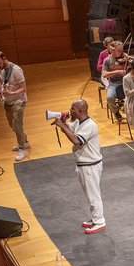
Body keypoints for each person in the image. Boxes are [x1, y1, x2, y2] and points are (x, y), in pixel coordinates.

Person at [50, 100, 105, 234]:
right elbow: (71, 131)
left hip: (90, 166)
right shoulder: (79, 123)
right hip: (84, 165)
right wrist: (63, 124)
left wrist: (62, 126)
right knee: (89, 194)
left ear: (80, 111)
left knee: (93, 195)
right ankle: (95, 218)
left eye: (73, 109)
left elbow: (76, 141)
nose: (70, 110)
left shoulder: (90, 125)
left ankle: (99, 221)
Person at [0, 50, 29, 162]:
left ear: (4, 58)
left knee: (17, 125)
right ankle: (25, 141)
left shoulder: (17, 70)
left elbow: (24, 88)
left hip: (18, 101)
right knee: (12, 125)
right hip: (7, 101)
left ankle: (22, 149)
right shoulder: (0, 68)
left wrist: (11, 93)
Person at [100, 41, 129, 105]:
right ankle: (116, 113)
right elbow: (104, 75)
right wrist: (117, 72)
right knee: (109, 98)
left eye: (122, 50)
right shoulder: (107, 60)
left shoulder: (125, 58)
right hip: (114, 83)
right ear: (112, 50)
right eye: (118, 50)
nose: (121, 52)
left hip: (127, 82)